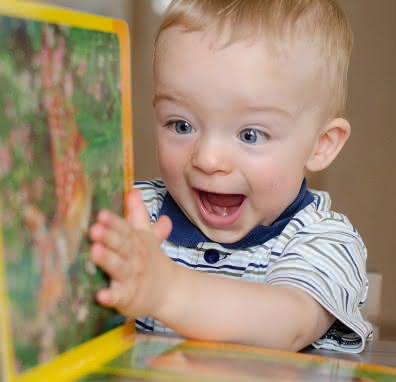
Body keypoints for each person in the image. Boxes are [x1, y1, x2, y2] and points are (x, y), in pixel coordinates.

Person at [89, 0, 373, 353]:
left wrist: (166, 290)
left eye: (250, 134)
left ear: (321, 145)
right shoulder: (132, 214)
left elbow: (290, 324)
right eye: (181, 125)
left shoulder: (325, 241)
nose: (207, 159)